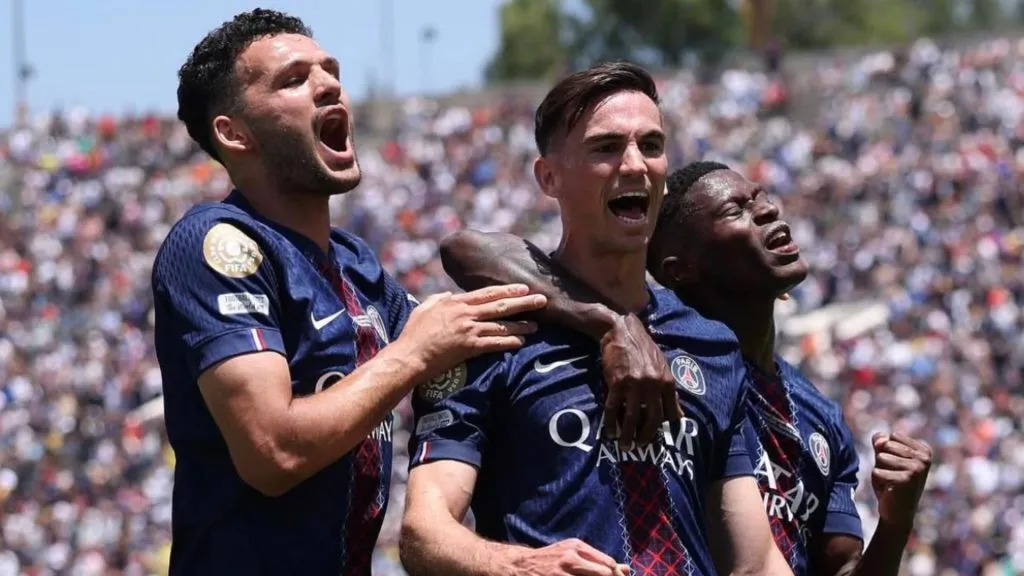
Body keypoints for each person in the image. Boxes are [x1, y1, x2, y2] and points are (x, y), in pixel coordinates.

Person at [151, 10, 547, 575]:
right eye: (293, 79)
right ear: (233, 133)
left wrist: (614, 324)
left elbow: (452, 329)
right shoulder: (216, 243)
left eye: (330, 70)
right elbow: (274, 452)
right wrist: (413, 353)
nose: (329, 84)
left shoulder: (356, 266)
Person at [441, 161, 934, 576]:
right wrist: (609, 322)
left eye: (760, 197)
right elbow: (468, 249)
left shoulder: (819, 415)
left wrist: (895, 522)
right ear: (678, 269)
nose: (767, 210)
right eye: (735, 209)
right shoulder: (643, 360)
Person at [400, 62, 792, 576]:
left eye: (651, 146)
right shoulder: (487, 330)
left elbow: (756, 560)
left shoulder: (710, 344)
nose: (635, 164)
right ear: (549, 177)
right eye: (606, 148)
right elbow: (423, 534)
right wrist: (522, 565)